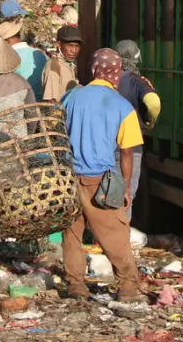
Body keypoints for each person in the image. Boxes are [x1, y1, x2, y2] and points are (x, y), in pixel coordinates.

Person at [62, 48, 145, 303]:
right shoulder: (123, 105)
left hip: (69, 178)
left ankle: (76, 286)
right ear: (116, 73)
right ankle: (128, 287)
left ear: (94, 70)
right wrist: (127, 188)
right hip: (102, 182)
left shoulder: (72, 97)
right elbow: (127, 152)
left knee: (72, 234)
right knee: (116, 235)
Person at [114, 40, 161, 222]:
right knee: (126, 196)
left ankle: (100, 239)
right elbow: (153, 102)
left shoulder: (107, 79)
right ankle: (120, 241)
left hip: (104, 146)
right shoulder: (137, 81)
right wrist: (150, 121)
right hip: (130, 148)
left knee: (105, 194)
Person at [42, 25, 82, 101]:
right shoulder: (54, 66)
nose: (74, 50)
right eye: (70, 45)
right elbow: (50, 101)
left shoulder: (68, 64)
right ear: (59, 45)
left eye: (77, 46)